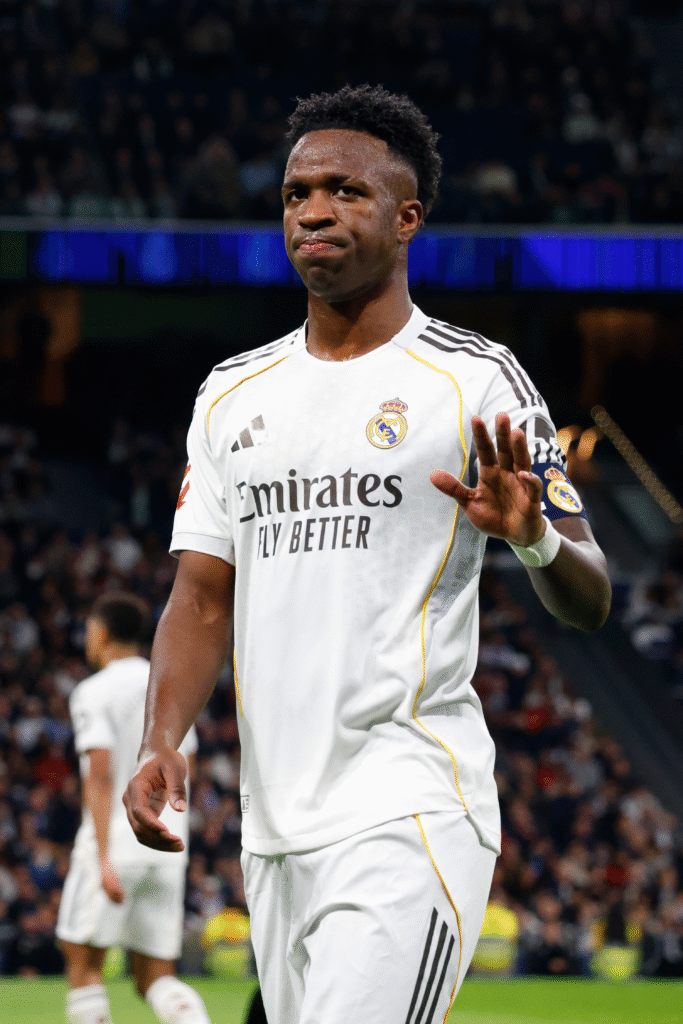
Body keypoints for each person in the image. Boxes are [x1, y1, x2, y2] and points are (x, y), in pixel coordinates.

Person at [124, 84, 611, 1024]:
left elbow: (589, 595)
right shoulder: (230, 395)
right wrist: (160, 739)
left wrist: (536, 537)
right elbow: (199, 600)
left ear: (406, 218)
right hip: (273, 833)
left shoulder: (475, 380)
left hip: (410, 806)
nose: (311, 208)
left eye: (345, 190)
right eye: (296, 192)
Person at [56, 593, 212, 1024]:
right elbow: (186, 767)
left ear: (101, 633)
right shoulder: (170, 684)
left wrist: (103, 857)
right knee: (154, 977)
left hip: (116, 841)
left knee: (83, 963)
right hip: (165, 846)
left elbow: (101, 775)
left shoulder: (93, 691)